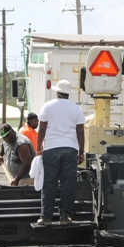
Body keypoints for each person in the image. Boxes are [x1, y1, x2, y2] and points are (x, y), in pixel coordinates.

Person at [36, 80, 86, 225]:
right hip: (70, 149)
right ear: (69, 93)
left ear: (57, 92)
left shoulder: (48, 106)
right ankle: (65, 216)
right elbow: (81, 132)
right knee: (68, 183)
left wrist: (39, 147)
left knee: (49, 182)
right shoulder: (76, 109)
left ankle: (46, 217)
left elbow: (42, 129)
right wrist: (81, 152)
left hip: (51, 148)